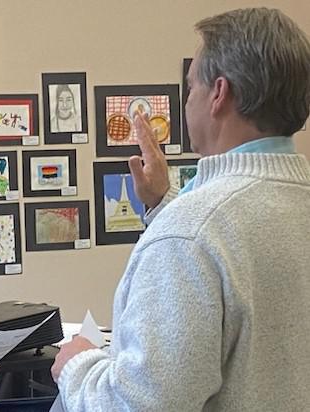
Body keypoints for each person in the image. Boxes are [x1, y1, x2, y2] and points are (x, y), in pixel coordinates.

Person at [51, 7, 310, 411]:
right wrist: (164, 204)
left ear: (219, 94)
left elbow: (139, 405)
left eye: (190, 88)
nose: (187, 100)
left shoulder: (193, 233)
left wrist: (77, 365)